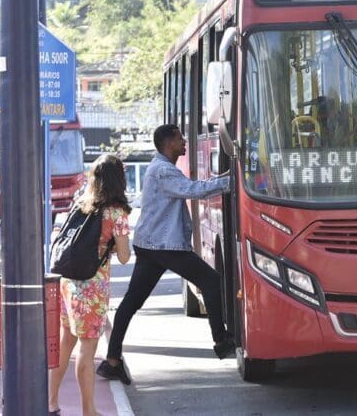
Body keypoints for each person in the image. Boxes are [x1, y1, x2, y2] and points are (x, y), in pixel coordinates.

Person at [96, 124, 233, 386]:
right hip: (164, 247)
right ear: (168, 143)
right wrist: (230, 182)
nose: (185, 143)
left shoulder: (160, 168)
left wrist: (225, 176)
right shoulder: (163, 171)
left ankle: (112, 360)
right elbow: (194, 190)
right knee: (211, 280)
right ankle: (221, 342)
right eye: (181, 139)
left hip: (151, 245)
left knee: (131, 302)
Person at [49, 154, 132, 416]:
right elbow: (124, 256)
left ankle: (50, 402)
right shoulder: (116, 212)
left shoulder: (81, 202)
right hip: (92, 288)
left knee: (66, 342)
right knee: (87, 349)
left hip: (68, 281)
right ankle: (89, 411)